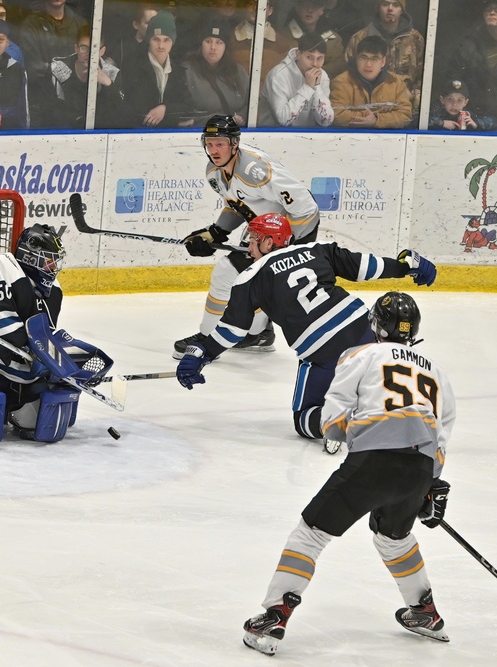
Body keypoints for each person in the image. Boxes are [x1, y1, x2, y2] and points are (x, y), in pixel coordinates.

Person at [241, 291, 456, 656]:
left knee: (310, 535)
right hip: (419, 467)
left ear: (377, 325)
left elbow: (335, 413)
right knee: (394, 538)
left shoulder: (362, 354)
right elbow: (443, 430)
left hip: (374, 461)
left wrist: (337, 434)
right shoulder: (437, 371)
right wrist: (429, 483)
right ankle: (425, 611)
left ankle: (276, 614)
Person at [175, 213, 438, 448]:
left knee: (304, 419)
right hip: (366, 337)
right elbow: (365, 267)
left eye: (255, 239)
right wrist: (405, 266)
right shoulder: (316, 250)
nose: (249, 245)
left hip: (322, 353)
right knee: (374, 355)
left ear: (269, 242)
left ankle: (347, 422)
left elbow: (232, 331)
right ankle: (391, 394)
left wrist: (202, 353)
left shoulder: (249, 277)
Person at [0, 224, 112, 441]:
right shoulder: (1, 266)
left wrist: (62, 364)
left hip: (9, 369)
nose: (53, 268)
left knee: (37, 423)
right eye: (48, 261)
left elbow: (41, 337)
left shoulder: (54, 291)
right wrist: (45, 361)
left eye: (55, 261)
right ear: (30, 258)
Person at [173, 115, 319, 359]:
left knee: (227, 272)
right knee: (253, 280)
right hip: (262, 229)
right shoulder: (214, 173)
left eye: (220, 143)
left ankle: (208, 340)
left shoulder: (256, 171)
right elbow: (239, 205)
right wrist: (216, 231)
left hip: (290, 230)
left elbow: (305, 207)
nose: (214, 150)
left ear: (234, 144)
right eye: (209, 144)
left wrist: (289, 245)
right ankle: (257, 334)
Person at [345, 0, 424, 126]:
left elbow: (421, 79)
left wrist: (414, 109)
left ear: (402, 9)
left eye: (396, 5)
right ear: (378, 7)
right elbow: (348, 77)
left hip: (404, 112)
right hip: (366, 112)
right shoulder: (360, 38)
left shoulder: (415, 39)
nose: (390, 9)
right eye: (385, 4)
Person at [119, 11, 196, 129]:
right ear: (148, 40)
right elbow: (139, 111)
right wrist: (174, 123)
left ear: (173, 42)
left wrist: (165, 108)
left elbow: (188, 106)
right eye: (156, 39)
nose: (161, 46)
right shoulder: (133, 66)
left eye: (166, 40)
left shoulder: (178, 69)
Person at [20, 0, 87, 128]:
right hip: (44, 109)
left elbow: (87, 62)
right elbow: (33, 67)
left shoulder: (80, 23)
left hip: (78, 106)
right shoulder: (31, 25)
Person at [442, 1, 497, 113]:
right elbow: (455, 82)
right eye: (488, 9)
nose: (492, 12)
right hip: (478, 113)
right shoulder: (468, 47)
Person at [330, 34, 412, 128]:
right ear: (357, 59)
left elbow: (405, 115)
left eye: (374, 59)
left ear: (383, 61)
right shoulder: (341, 82)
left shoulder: (396, 82)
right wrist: (367, 118)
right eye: (363, 58)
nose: (368, 64)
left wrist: (377, 119)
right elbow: (336, 114)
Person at [50, 25, 123, 128]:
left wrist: (107, 83)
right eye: (84, 48)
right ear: (76, 48)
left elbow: (122, 116)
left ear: (102, 51)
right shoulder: (56, 70)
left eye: (95, 48)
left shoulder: (112, 72)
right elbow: (49, 113)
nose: (89, 54)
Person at [182, 18, 250, 127]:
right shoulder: (186, 71)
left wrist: (243, 115)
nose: (213, 47)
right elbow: (183, 114)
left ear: (225, 47)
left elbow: (255, 102)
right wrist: (218, 120)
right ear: (201, 44)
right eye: (208, 41)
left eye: (219, 42)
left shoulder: (237, 71)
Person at [260, 31, 335, 127]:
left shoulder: (323, 76)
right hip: (270, 134)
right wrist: (308, 88)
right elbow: (283, 119)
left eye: (320, 58)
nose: (315, 64)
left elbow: (325, 121)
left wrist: (316, 87)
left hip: (309, 137)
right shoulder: (278, 75)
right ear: (298, 54)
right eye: (309, 57)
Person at [275, 0, 346, 81]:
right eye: (305, 5)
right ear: (298, 7)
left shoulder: (334, 39)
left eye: (315, 6)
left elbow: (338, 66)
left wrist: (315, 74)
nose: (310, 10)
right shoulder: (283, 37)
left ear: (322, 10)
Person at [428, 78, 497, 131]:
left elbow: (495, 122)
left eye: (459, 100)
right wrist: (441, 123)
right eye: (450, 99)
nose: (454, 104)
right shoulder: (436, 112)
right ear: (442, 100)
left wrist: (476, 123)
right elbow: (418, 120)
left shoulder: (469, 114)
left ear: (465, 102)